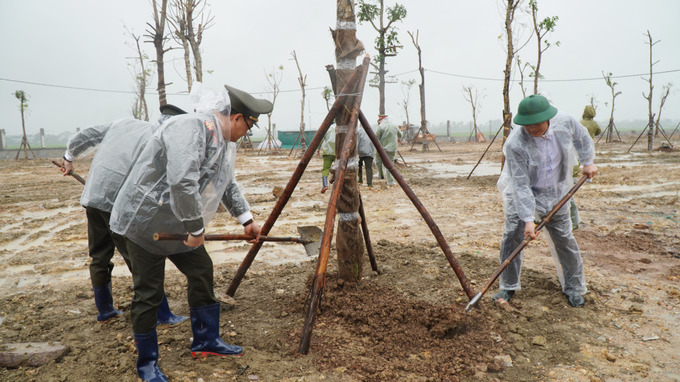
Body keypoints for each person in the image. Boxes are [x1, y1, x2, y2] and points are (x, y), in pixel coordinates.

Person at [109, 83, 272, 381]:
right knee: (149, 291)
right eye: (248, 126)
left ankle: (206, 340)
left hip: (177, 223)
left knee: (201, 270)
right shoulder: (190, 127)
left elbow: (226, 182)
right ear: (236, 118)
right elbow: (181, 180)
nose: (247, 132)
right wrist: (196, 228)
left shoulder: (222, 140)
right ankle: (147, 364)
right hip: (144, 223)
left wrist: (246, 219)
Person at [60, 105, 188, 326]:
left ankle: (105, 311)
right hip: (120, 206)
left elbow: (88, 135)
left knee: (99, 256)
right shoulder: (160, 140)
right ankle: (161, 314)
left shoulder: (125, 123)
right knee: (141, 258)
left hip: (93, 198)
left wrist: (68, 156)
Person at [494, 94, 597, 308]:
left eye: (536, 124)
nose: (531, 129)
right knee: (512, 235)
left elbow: (583, 138)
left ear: (548, 117)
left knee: (564, 239)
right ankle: (508, 285)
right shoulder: (516, 144)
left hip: (557, 191)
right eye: (527, 125)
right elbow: (521, 184)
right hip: (522, 192)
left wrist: (588, 162)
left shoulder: (565, 122)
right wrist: (528, 219)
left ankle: (574, 287)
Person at [569, 105, 601, 229]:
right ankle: (589, 178)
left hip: (577, 147)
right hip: (589, 145)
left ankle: (574, 222)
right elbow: (598, 132)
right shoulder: (594, 124)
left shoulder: (580, 123)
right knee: (588, 162)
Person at [375, 115, 402, 186]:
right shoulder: (394, 126)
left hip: (382, 149)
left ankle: (380, 174)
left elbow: (376, 137)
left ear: (381, 120)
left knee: (378, 160)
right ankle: (390, 181)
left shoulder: (380, 127)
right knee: (390, 164)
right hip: (392, 148)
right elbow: (400, 135)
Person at [320, 124, 336, 193]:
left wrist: (318, 150)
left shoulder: (327, 128)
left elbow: (320, 140)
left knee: (325, 169)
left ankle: (325, 185)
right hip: (337, 153)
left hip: (327, 152)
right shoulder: (340, 128)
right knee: (339, 169)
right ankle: (338, 185)